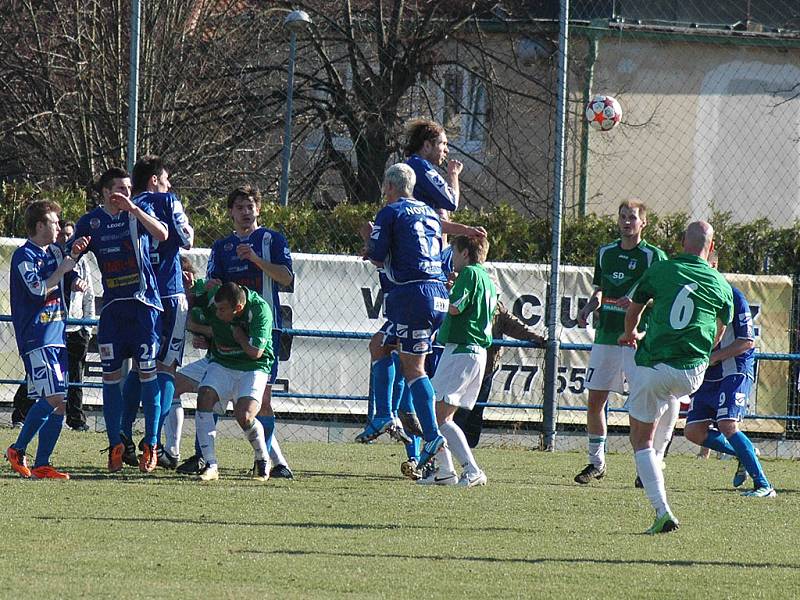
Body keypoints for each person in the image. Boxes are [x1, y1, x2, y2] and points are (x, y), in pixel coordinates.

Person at [618, 221, 734, 533]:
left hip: (656, 364)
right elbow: (720, 331)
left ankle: (662, 510)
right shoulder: (721, 284)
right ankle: (659, 457)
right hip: (693, 371)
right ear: (709, 248)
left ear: (683, 242)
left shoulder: (662, 269)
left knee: (639, 438)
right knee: (668, 395)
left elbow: (634, 309)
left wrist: (630, 334)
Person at [177, 185, 293, 478]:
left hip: (263, 330)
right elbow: (215, 284)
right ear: (230, 211)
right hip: (228, 329)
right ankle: (204, 456)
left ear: (259, 210)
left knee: (261, 402)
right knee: (211, 393)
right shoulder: (222, 246)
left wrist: (255, 259)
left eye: (250, 207)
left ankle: (275, 462)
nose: (245, 212)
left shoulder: (271, 240)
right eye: (239, 207)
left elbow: (286, 277)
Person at [71, 167, 168, 473]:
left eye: (129, 188)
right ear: (104, 193)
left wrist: (136, 209)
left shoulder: (139, 210)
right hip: (112, 310)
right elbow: (70, 256)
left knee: (147, 374)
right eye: (120, 189)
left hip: (144, 308)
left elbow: (163, 234)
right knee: (111, 380)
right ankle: (116, 445)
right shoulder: (91, 221)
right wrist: (73, 272)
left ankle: (151, 445)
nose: (126, 193)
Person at [574, 200, 668, 485]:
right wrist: (589, 307)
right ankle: (596, 463)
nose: (627, 222)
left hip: (635, 339)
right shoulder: (605, 252)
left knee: (639, 406)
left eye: (633, 218)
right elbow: (601, 290)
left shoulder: (654, 256)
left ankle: (644, 467)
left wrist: (640, 303)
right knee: (595, 402)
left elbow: (662, 297)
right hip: (606, 337)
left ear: (644, 223)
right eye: (623, 217)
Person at [364, 162, 450, 470]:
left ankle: (431, 437)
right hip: (435, 293)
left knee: (414, 369)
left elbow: (375, 255)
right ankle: (383, 416)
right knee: (379, 344)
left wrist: (369, 244)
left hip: (413, 295)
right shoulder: (429, 211)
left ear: (388, 186)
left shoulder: (389, 212)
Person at [5, 200, 90, 479]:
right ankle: (17, 449)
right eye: (54, 222)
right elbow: (38, 289)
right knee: (53, 397)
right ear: (40, 225)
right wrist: (63, 270)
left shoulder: (54, 251)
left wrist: (74, 273)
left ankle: (42, 463)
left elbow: (67, 269)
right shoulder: (23, 257)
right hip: (36, 337)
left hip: (57, 336)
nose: (58, 227)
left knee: (61, 402)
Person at [119, 156, 193, 469]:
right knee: (165, 370)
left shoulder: (122, 208)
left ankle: (122, 434)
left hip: (136, 296)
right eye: (166, 178)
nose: (169, 185)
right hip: (169, 293)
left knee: (139, 368)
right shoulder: (166, 201)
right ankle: (154, 442)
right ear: (153, 180)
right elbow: (186, 239)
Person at [683, 250, 775, 497]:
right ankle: (746, 453)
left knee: (727, 424)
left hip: (734, 370)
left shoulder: (734, 295)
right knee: (693, 432)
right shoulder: (696, 297)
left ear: (715, 265)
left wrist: (713, 357)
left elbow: (747, 341)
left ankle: (764, 486)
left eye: (707, 266)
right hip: (708, 375)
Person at [417, 235, 497, 487]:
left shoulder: (470, 274)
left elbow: (456, 307)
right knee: (438, 413)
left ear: (464, 253)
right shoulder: (486, 277)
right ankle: (444, 471)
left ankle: (471, 470)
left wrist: (443, 294)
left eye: (454, 251)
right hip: (473, 351)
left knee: (439, 416)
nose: (452, 258)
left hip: (463, 348)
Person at [189, 282, 274, 482]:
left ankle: (263, 458)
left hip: (253, 366)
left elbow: (255, 353)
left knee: (244, 416)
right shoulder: (213, 298)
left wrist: (241, 338)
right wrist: (200, 331)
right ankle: (210, 464)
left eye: (222, 310)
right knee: (204, 396)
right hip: (222, 362)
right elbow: (191, 292)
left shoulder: (260, 310)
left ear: (238, 308)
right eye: (216, 308)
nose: (217, 313)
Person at [453, 300, 546, 447]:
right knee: (455, 409)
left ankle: (467, 449)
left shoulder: (496, 307)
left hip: (485, 368)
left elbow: (513, 325)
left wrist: (534, 336)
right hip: (461, 365)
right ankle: (449, 446)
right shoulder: (462, 302)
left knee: (475, 411)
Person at [56, 220, 96, 432]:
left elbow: (88, 295)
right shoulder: (51, 257)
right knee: (43, 373)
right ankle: (21, 412)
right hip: (54, 325)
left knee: (76, 375)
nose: (65, 239)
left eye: (69, 235)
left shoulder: (81, 263)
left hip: (77, 326)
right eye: (62, 234)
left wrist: (87, 327)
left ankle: (76, 419)